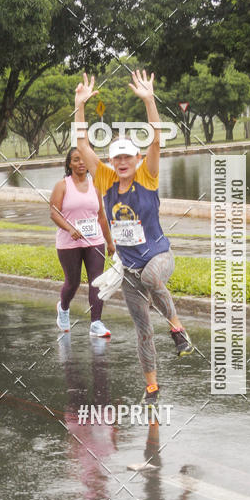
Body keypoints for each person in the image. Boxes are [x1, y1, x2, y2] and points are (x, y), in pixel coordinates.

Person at [75, 71, 193, 406]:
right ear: (111, 161)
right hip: (127, 268)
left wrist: (149, 100)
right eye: (117, 157)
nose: (123, 162)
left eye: (128, 157)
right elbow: (82, 146)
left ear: (137, 159)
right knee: (142, 329)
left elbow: (156, 139)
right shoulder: (105, 179)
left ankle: (177, 327)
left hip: (159, 256)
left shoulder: (147, 175)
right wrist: (79, 106)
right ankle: (152, 387)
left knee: (153, 277)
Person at [49, 147, 114, 337]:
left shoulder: (96, 185)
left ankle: (96, 323)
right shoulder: (62, 185)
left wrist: (109, 242)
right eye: (76, 160)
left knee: (97, 281)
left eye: (83, 159)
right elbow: (54, 213)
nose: (81, 163)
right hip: (69, 242)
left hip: (94, 240)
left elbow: (101, 216)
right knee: (73, 282)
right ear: (69, 164)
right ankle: (63, 308)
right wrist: (70, 228)